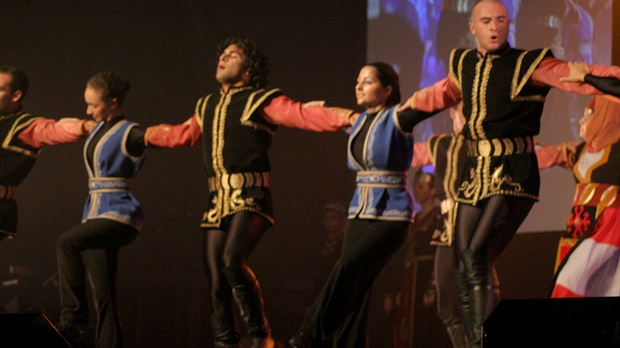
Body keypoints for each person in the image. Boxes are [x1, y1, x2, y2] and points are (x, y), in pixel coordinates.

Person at [397, 1, 620, 346]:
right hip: (476, 172)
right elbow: (438, 95)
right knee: (465, 259)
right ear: (473, 28)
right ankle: (475, 340)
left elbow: (579, 79)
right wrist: (397, 120)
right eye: (486, 21)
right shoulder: (464, 64)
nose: (494, 27)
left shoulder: (526, 64)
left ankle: (484, 339)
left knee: (477, 254)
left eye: (501, 20)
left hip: (513, 170)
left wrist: (597, 77)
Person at [144, 36, 356, 348]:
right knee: (216, 276)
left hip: (251, 196)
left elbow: (301, 113)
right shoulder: (207, 104)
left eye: (233, 55)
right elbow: (182, 134)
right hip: (218, 200)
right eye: (222, 54)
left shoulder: (262, 100)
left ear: (248, 72)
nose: (223, 58)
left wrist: (347, 117)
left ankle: (260, 337)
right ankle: (225, 342)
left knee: (232, 261)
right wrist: (140, 135)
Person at [289, 62, 435, 348]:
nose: (358, 86)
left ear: (387, 90)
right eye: (358, 81)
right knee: (358, 289)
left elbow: (433, 100)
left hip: (392, 214)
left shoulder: (398, 118)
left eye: (367, 82)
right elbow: (324, 115)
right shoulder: (357, 121)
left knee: (348, 267)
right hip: (360, 211)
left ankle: (311, 333)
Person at [56, 71, 146, 348]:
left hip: (120, 214)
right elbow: (69, 125)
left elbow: (161, 137)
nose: (88, 110)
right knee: (104, 293)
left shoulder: (131, 131)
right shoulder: (95, 128)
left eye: (94, 105)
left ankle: (71, 317)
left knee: (67, 242)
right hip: (95, 212)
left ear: (113, 103)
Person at [0, 66, 94, 240]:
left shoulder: (24, 125)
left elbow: (54, 130)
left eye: (0, 89)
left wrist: (84, 126)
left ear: (16, 95)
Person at [392, 170, 448, 348]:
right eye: (414, 187)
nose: (416, 191)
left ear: (433, 190)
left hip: (427, 276)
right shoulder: (415, 220)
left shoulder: (439, 216)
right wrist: (402, 289)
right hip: (412, 279)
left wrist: (433, 286)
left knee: (427, 326)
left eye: (421, 187)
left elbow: (442, 252)